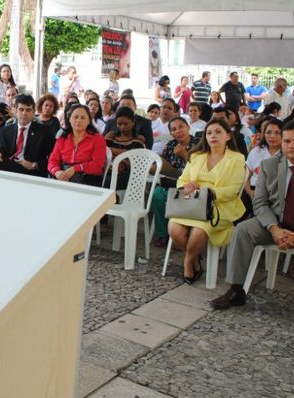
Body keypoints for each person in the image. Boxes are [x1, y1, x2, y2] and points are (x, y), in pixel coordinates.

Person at [211, 120, 294, 339]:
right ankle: (236, 289)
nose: (291, 146)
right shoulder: (271, 166)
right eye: (287, 141)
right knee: (242, 230)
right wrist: (274, 229)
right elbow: (260, 203)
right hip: (275, 224)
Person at [168, 119, 246, 284]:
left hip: (219, 205)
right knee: (174, 228)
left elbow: (232, 190)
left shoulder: (237, 159)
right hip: (193, 204)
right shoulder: (196, 156)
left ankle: (188, 262)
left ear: (228, 136)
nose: (213, 136)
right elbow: (181, 181)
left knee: (199, 230)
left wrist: (208, 193)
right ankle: (195, 259)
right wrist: (187, 186)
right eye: (209, 133)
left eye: (218, 132)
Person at [151, 117, 197, 248]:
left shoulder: (199, 144)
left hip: (192, 186)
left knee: (182, 197)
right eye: (174, 129)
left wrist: (184, 155)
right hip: (171, 183)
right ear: (171, 133)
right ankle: (163, 234)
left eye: (181, 126)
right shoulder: (170, 145)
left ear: (188, 127)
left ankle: (181, 236)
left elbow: (201, 168)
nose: (178, 131)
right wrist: (155, 168)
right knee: (157, 194)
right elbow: (164, 165)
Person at [0, 94, 55, 177]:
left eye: (28, 110)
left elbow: (53, 158)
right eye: (21, 109)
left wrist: (34, 165)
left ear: (34, 112)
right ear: (15, 111)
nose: (24, 113)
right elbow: (2, 149)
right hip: (10, 167)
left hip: (31, 171)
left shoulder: (45, 131)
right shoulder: (5, 130)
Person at [48, 104, 107, 187]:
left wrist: (76, 168)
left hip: (89, 178)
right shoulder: (62, 138)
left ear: (88, 121)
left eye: (83, 118)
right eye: (75, 117)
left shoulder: (98, 139)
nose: (78, 120)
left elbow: (97, 165)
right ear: (69, 119)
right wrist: (57, 172)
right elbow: (53, 161)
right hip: (64, 175)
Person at [104, 106, 147, 189]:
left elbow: (133, 155)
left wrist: (110, 150)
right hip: (108, 169)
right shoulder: (111, 136)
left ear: (133, 122)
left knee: (108, 182)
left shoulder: (139, 139)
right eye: (119, 124)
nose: (122, 127)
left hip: (130, 173)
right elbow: (101, 150)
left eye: (126, 124)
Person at [245, 118, 283, 198]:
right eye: (268, 132)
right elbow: (246, 176)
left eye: (277, 133)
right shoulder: (256, 151)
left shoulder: (287, 154)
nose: (272, 136)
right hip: (254, 191)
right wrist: (249, 192)